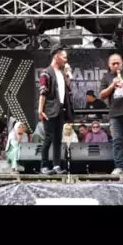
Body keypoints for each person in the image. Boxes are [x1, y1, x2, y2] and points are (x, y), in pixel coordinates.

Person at [39, 47, 73, 176]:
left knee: (58, 138)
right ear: (56, 56)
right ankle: (44, 166)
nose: (65, 60)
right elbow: (42, 92)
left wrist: (67, 74)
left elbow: (67, 88)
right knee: (48, 138)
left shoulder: (61, 73)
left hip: (60, 109)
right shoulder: (46, 72)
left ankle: (56, 165)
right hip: (49, 109)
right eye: (64, 57)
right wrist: (40, 110)